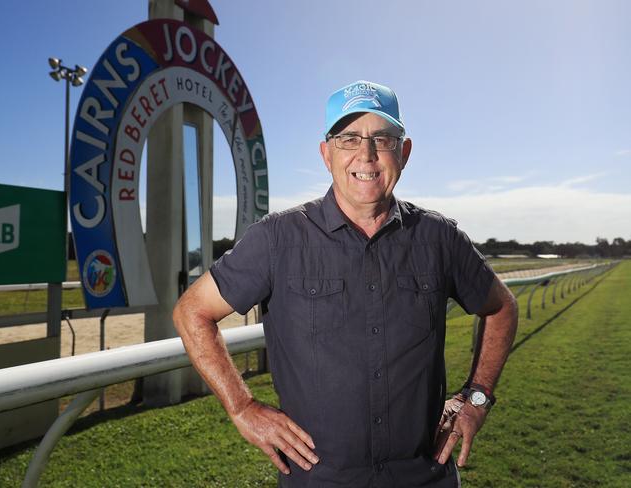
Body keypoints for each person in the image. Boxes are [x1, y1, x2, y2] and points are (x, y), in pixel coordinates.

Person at [173, 80, 518, 487]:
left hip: (424, 477)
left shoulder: (439, 238)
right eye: (348, 138)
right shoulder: (277, 238)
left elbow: (502, 308)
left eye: (383, 139)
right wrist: (242, 405)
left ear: (403, 153)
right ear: (327, 154)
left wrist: (476, 398)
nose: (366, 155)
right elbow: (192, 311)